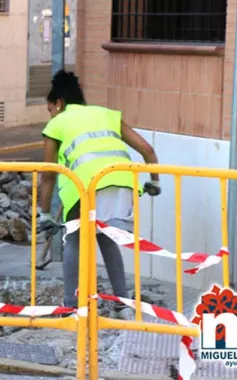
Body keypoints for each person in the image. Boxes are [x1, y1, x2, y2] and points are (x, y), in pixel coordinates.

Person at [39, 70, 160, 318]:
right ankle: (122, 303)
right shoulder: (106, 114)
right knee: (106, 238)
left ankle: (71, 307)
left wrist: (44, 214)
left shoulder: (57, 123)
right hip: (121, 181)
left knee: (72, 239)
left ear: (58, 103)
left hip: (87, 185)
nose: (50, 114)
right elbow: (147, 149)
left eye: (50, 109)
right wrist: (154, 182)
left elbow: (48, 174)